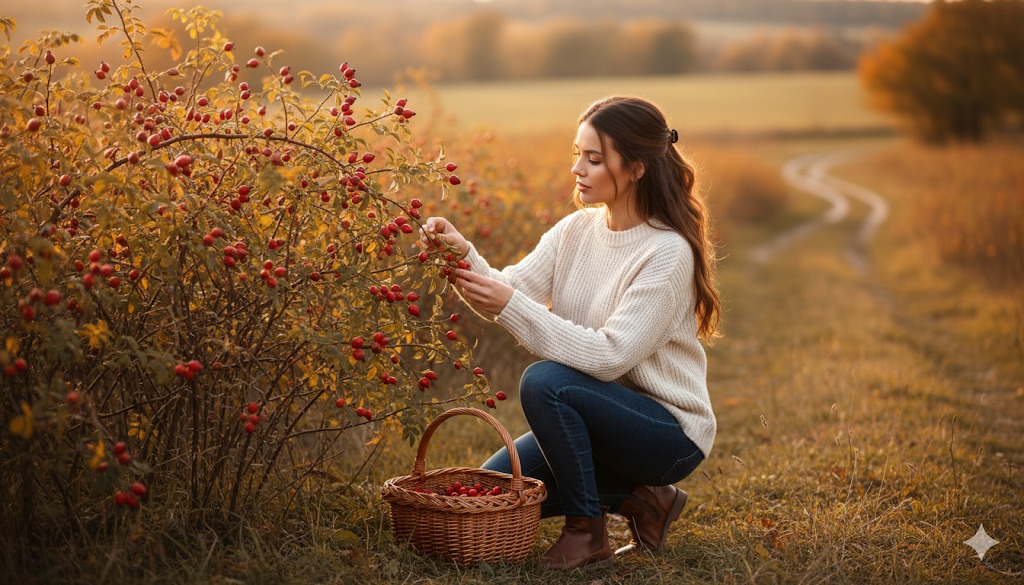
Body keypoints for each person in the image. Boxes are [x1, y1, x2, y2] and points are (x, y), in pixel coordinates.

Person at [420, 96, 720, 570]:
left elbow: (610, 356)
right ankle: (644, 500)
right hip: (596, 419)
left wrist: (511, 304)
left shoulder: (667, 253)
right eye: (577, 154)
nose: (577, 168)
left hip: (665, 433)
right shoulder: (575, 230)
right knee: (488, 490)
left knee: (545, 382)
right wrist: (462, 255)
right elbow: (511, 289)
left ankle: (586, 533)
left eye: (594, 159)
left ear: (636, 168)